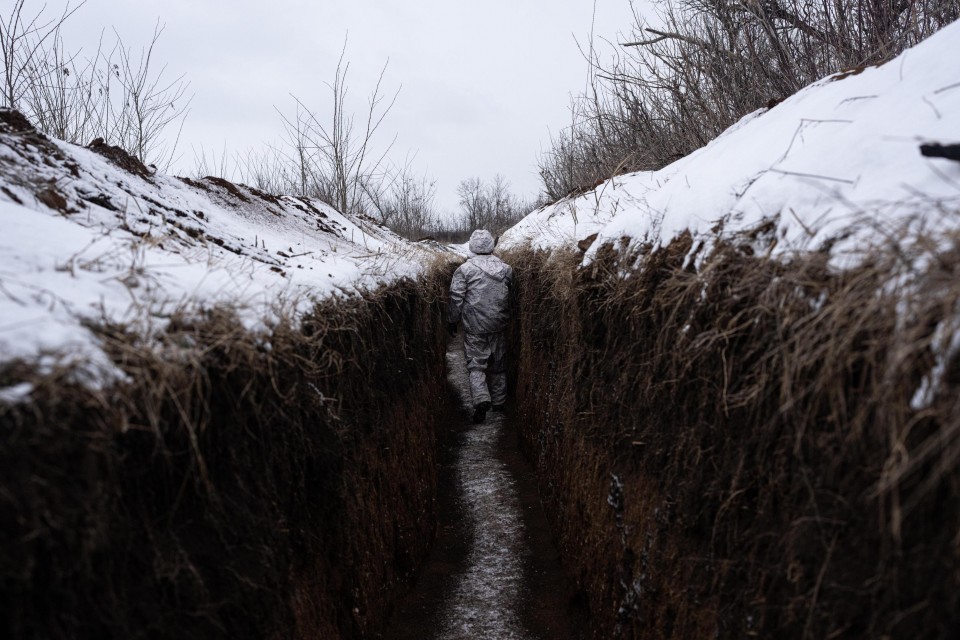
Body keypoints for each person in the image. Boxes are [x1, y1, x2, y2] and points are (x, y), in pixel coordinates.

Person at [447, 229, 513, 423]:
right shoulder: (506, 269)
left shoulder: (464, 270)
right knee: (499, 365)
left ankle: (481, 399)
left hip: (475, 326)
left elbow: (456, 297)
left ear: (472, 246)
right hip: (499, 324)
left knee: (476, 365)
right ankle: (499, 403)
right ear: (491, 245)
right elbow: (512, 296)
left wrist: (452, 319)